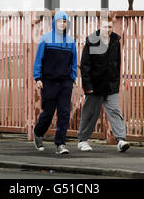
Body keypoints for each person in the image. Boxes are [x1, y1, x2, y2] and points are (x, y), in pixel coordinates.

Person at [77, 15, 130, 152]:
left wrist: (117, 82)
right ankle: (83, 140)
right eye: (105, 27)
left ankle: (121, 140)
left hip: (111, 85)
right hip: (95, 86)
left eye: (110, 27)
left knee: (114, 111)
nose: (108, 29)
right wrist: (88, 86)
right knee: (90, 113)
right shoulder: (92, 41)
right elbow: (85, 65)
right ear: (100, 27)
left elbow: (117, 64)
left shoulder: (115, 41)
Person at [33, 11, 78, 155]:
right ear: (55, 23)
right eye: (60, 21)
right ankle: (38, 133)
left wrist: (73, 77)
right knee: (48, 112)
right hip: (49, 82)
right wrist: (38, 78)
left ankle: (61, 144)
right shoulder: (45, 39)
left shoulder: (70, 41)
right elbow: (38, 59)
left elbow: (74, 62)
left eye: (65, 22)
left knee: (64, 113)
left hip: (65, 82)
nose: (62, 24)